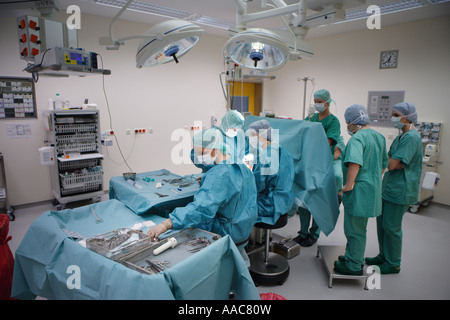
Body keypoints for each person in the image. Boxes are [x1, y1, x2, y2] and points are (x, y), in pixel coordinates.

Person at [148, 128, 258, 253]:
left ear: (215, 149)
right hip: (244, 228)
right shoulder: (239, 164)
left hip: (227, 233)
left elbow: (201, 208)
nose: (199, 158)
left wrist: (167, 223)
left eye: (202, 153)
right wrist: (208, 179)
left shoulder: (219, 175)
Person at [366, 102, 422, 274]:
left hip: (400, 190)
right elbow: (390, 160)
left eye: (396, 115)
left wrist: (392, 162)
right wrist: (392, 162)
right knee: (382, 224)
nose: (393, 118)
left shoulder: (412, 137)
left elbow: (390, 164)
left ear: (406, 117)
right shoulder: (400, 136)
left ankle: (393, 263)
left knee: (392, 227)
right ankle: (384, 256)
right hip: (389, 188)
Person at [334, 104, 388, 275]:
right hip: (371, 189)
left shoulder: (357, 139)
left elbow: (355, 162)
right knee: (359, 227)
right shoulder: (379, 137)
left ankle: (354, 265)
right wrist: (371, 179)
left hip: (358, 191)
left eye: (347, 122)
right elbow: (383, 164)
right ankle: (352, 255)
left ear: (354, 122)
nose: (347, 125)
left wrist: (349, 185)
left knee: (354, 229)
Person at [295, 89, 341, 247]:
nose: (316, 104)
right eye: (315, 101)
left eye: (319, 102)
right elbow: (300, 133)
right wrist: (306, 121)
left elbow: (326, 142)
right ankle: (302, 232)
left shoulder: (333, 121)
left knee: (318, 200)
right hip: (307, 163)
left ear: (327, 103)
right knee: (304, 199)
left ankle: (314, 233)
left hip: (321, 165)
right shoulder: (311, 118)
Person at [248, 120, 295, 225]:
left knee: (238, 208)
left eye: (252, 135)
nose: (250, 139)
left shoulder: (265, 157)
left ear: (261, 135)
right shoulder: (284, 152)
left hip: (269, 205)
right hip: (285, 200)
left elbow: (256, 187)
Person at [333, 136, 346, 205]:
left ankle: (339, 193)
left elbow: (335, 156)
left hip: (335, 161)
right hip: (320, 160)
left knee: (337, 176)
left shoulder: (340, 138)